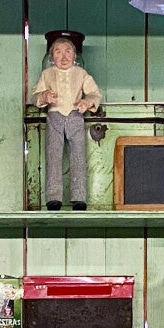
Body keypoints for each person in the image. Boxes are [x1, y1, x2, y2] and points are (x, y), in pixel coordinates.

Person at [31, 29, 101, 210]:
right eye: (58, 52)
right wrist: (44, 96)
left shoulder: (81, 73)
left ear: (74, 55)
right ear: (51, 56)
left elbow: (95, 93)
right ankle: (53, 198)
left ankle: (79, 197)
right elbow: (35, 96)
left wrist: (87, 102)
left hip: (75, 116)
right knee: (53, 156)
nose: (63, 57)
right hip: (54, 116)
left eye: (68, 52)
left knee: (78, 156)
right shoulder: (47, 74)